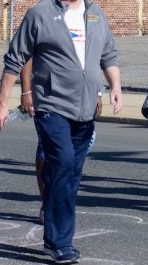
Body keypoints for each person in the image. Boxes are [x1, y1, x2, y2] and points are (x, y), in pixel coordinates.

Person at [0, 0, 123, 265]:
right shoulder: (40, 14)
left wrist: (114, 87)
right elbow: (15, 58)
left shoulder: (95, 12)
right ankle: (60, 242)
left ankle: (54, 227)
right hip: (51, 106)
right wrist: (2, 103)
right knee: (62, 163)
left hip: (86, 108)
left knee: (70, 173)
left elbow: (108, 55)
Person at [19, 59, 103, 225]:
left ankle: (61, 200)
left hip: (79, 96)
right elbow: (25, 55)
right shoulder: (40, 31)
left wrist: (97, 92)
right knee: (50, 150)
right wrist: (26, 92)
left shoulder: (89, 31)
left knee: (80, 146)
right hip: (49, 98)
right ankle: (48, 204)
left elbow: (94, 56)